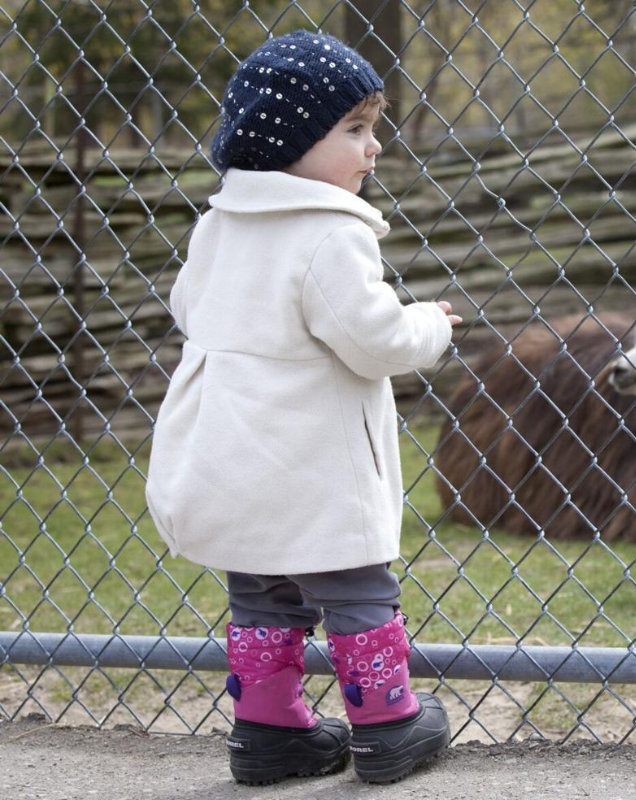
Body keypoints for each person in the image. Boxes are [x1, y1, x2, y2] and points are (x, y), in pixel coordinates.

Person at [144, 29, 461, 786]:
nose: (373, 147)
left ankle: (268, 731)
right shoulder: (327, 235)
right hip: (312, 466)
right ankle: (388, 723)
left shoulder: (218, 225)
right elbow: (374, 340)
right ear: (288, 141)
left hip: (233, 455)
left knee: (261, 589)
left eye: (372, 127)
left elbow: (191, 309)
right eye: (354, 128)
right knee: (356, 586)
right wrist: (428, 325)